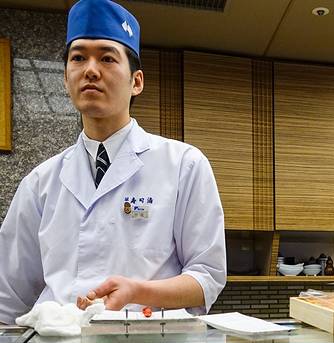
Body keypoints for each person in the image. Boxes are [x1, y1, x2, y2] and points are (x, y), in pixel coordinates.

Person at [0, 0, 226, 324]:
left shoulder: (184, 165)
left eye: (107, 58)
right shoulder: (40, 183)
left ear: (137, 82)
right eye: (78, 58)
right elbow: (8, 298)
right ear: (65, 79)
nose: (91, 70)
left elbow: (207, 278)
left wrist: (138, 291)